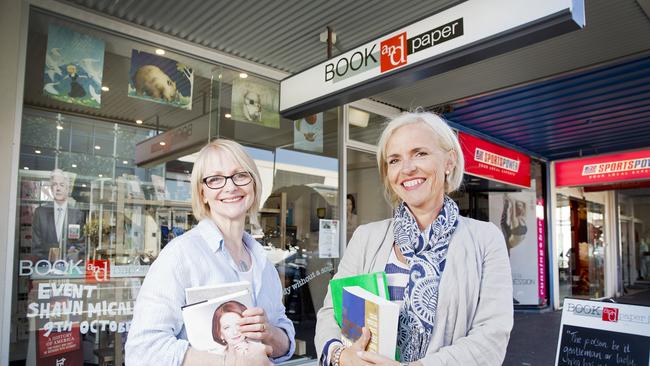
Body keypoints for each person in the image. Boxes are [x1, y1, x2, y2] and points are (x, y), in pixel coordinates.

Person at [315, 112, 513, 365]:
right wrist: (341, 356)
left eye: (420, 153)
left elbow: (491, 336)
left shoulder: (485, 240)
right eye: (395, 160)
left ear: (449, 161)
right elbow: (332, 313)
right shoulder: (366, 238)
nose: (407, 168)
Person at [125, 139, 295, 366]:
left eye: (240, 175)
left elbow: (284, 338)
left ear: (253, 184)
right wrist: (228, 363)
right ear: (202, 193)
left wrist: (269, 333)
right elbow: (143, 351)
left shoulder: (263, 262)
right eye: (215, 179)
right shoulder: (180, 256)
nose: (230, 187)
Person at [31, 169, 85, 261]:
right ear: (51, 188)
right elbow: (36, 246)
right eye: (55, 184)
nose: (58, 188)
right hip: (44, 268)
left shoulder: (77, 214)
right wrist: (46, 265)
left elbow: (80, 246)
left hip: (69, 267)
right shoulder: (40, 213)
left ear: (68, 189)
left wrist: (69, 262)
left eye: (62, 185)